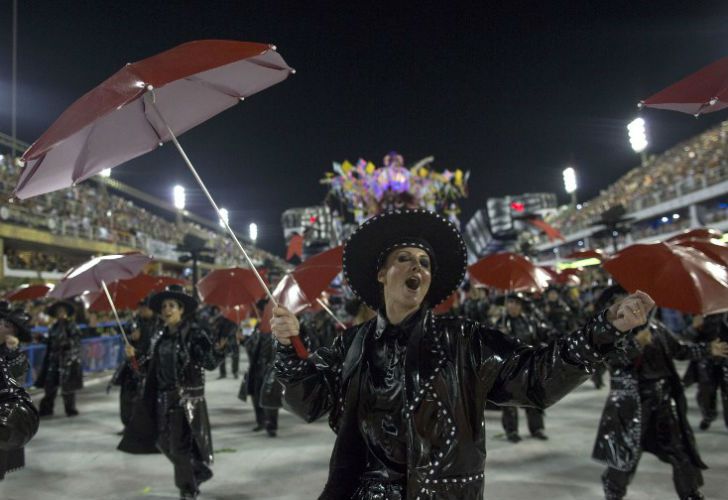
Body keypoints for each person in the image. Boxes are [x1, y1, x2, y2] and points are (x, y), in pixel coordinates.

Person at [272, 209, 653, 500]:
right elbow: (309, 403)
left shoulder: (465, 340)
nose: (416, 267)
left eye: (424, 262)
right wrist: (288, 347)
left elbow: (536, 379)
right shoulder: (350, 344)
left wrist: (606, 329)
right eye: (404, 258)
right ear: (381, 274)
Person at [592, 286, 728, 500]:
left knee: (681, 453)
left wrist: (708, 349)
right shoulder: (608, 333)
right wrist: (636, 344)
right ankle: (613, 493)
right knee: (623, 459)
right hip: (630, 406)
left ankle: (691, 494)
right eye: (621, 302)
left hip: (664, 400)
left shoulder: (655, 327)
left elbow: (680, 349)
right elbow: (610, 360)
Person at [118, 285, 225, 500]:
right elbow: (148, 367)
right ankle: (198, 470)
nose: (167, 309)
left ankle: (187, 488)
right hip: (161, 399)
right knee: (161, 442)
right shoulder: (160, 336)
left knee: (179, 447)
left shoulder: (194, 334)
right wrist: (134, 356)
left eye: (172, 305)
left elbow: (210, 363)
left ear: (181, 309)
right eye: (164, 306)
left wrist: (221, 349)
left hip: (185, 400)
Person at [496, 293, 557, 442]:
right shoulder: (501, 323)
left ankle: (537, 428)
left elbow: (542, 336)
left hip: (529, 365)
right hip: (509, 368)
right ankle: (511, 431)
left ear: (521, 306)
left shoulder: (530, 321)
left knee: (533, 398)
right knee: (509, 401)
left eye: (515, 303)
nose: (512, 306)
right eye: (509, 302)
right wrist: (500, 335)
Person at [110, 296, 157, 430]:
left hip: (148, 368)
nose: (142, 310)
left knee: (144, 398)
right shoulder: (134, 322)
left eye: (145, 307)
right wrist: (130, 336)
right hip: (131, 367)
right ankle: (128, 425)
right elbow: (121, 334)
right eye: (140, 307)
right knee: (126, 398)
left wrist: (137, 352)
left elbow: (154, 348)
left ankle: (144, 426)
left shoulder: (159, 325)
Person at [36, 300, 83, 417]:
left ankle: (70, 409)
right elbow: (50, 341)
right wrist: (41, 338)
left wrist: (67, 343)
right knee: (49, 385)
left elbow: (76, 341)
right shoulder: (54, 326)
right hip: (53, 360)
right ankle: (46, 409)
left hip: (66, 360)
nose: (61, 313)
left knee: (67, 387)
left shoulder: (71, 326)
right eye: (58, 311)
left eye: (62, 311)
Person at [683, 313, 728, 430]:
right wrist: (694, 327)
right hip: (706, 359)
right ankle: (708, 415)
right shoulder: (703, 313)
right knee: (706, 393)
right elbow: (686, 337)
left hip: (726, 359)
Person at [242, 299, 280, 437]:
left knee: (269, 396)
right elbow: (246, 344)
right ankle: (260, 421)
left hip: (270, 367)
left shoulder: (274, 325)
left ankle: (271, 425)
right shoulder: (250, 322)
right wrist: (244, 337)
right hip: (255, 367)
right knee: (255, 395)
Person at [205, 306, 240, 380]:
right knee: (222, 354)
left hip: (231, 337)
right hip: (222, 337)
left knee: (235, 355)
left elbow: (236, 326)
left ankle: (235, 372)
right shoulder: (219, 311)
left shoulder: (235, 311)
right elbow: (213, 323)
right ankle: (223, 373)